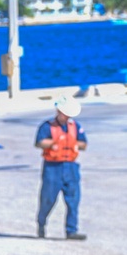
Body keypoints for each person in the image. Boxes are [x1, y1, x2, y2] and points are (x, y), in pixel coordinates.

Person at [35, 94, 87, 240]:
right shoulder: (47, 126)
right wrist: (55, 142)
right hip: (53, 167)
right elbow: (39, 142)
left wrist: (72, 143)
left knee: (73, 200)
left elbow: (84, 144)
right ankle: (41, 223)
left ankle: (71, 230)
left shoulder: (75, 126)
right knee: (48, 199)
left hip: (70, 167)